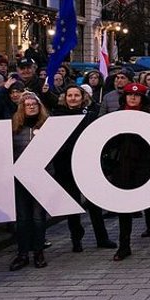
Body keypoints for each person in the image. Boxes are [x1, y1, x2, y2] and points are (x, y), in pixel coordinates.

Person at [51, 85, 115, 252]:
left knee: (94, 204)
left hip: (88, 165)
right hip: (65, 166)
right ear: (65, 98)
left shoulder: (91, 117)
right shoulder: (56, 117)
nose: (73, 98)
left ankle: (102, 237)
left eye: (76, 95)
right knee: (72, 204)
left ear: (82, 97)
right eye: (69, 95)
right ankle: (76, 239)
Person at [107, 83, 150, 261]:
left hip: (145, 164)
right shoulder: (116, 116)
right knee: (124, 206)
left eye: (137, 96)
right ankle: (124, 246)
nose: (133, 98)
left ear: (142, 98)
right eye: (130, 95)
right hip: (122, 165)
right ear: (124, 97)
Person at [8, 92, 49, 270]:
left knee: (38, 218)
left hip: (41, 178)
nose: (31, 106)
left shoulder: (48, 127)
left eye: (34, 104)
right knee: (23, 218)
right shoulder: (14, 128)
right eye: (27, 104)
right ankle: (22, 253)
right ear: (22, 108)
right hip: (20, 178)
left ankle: (39, 252)